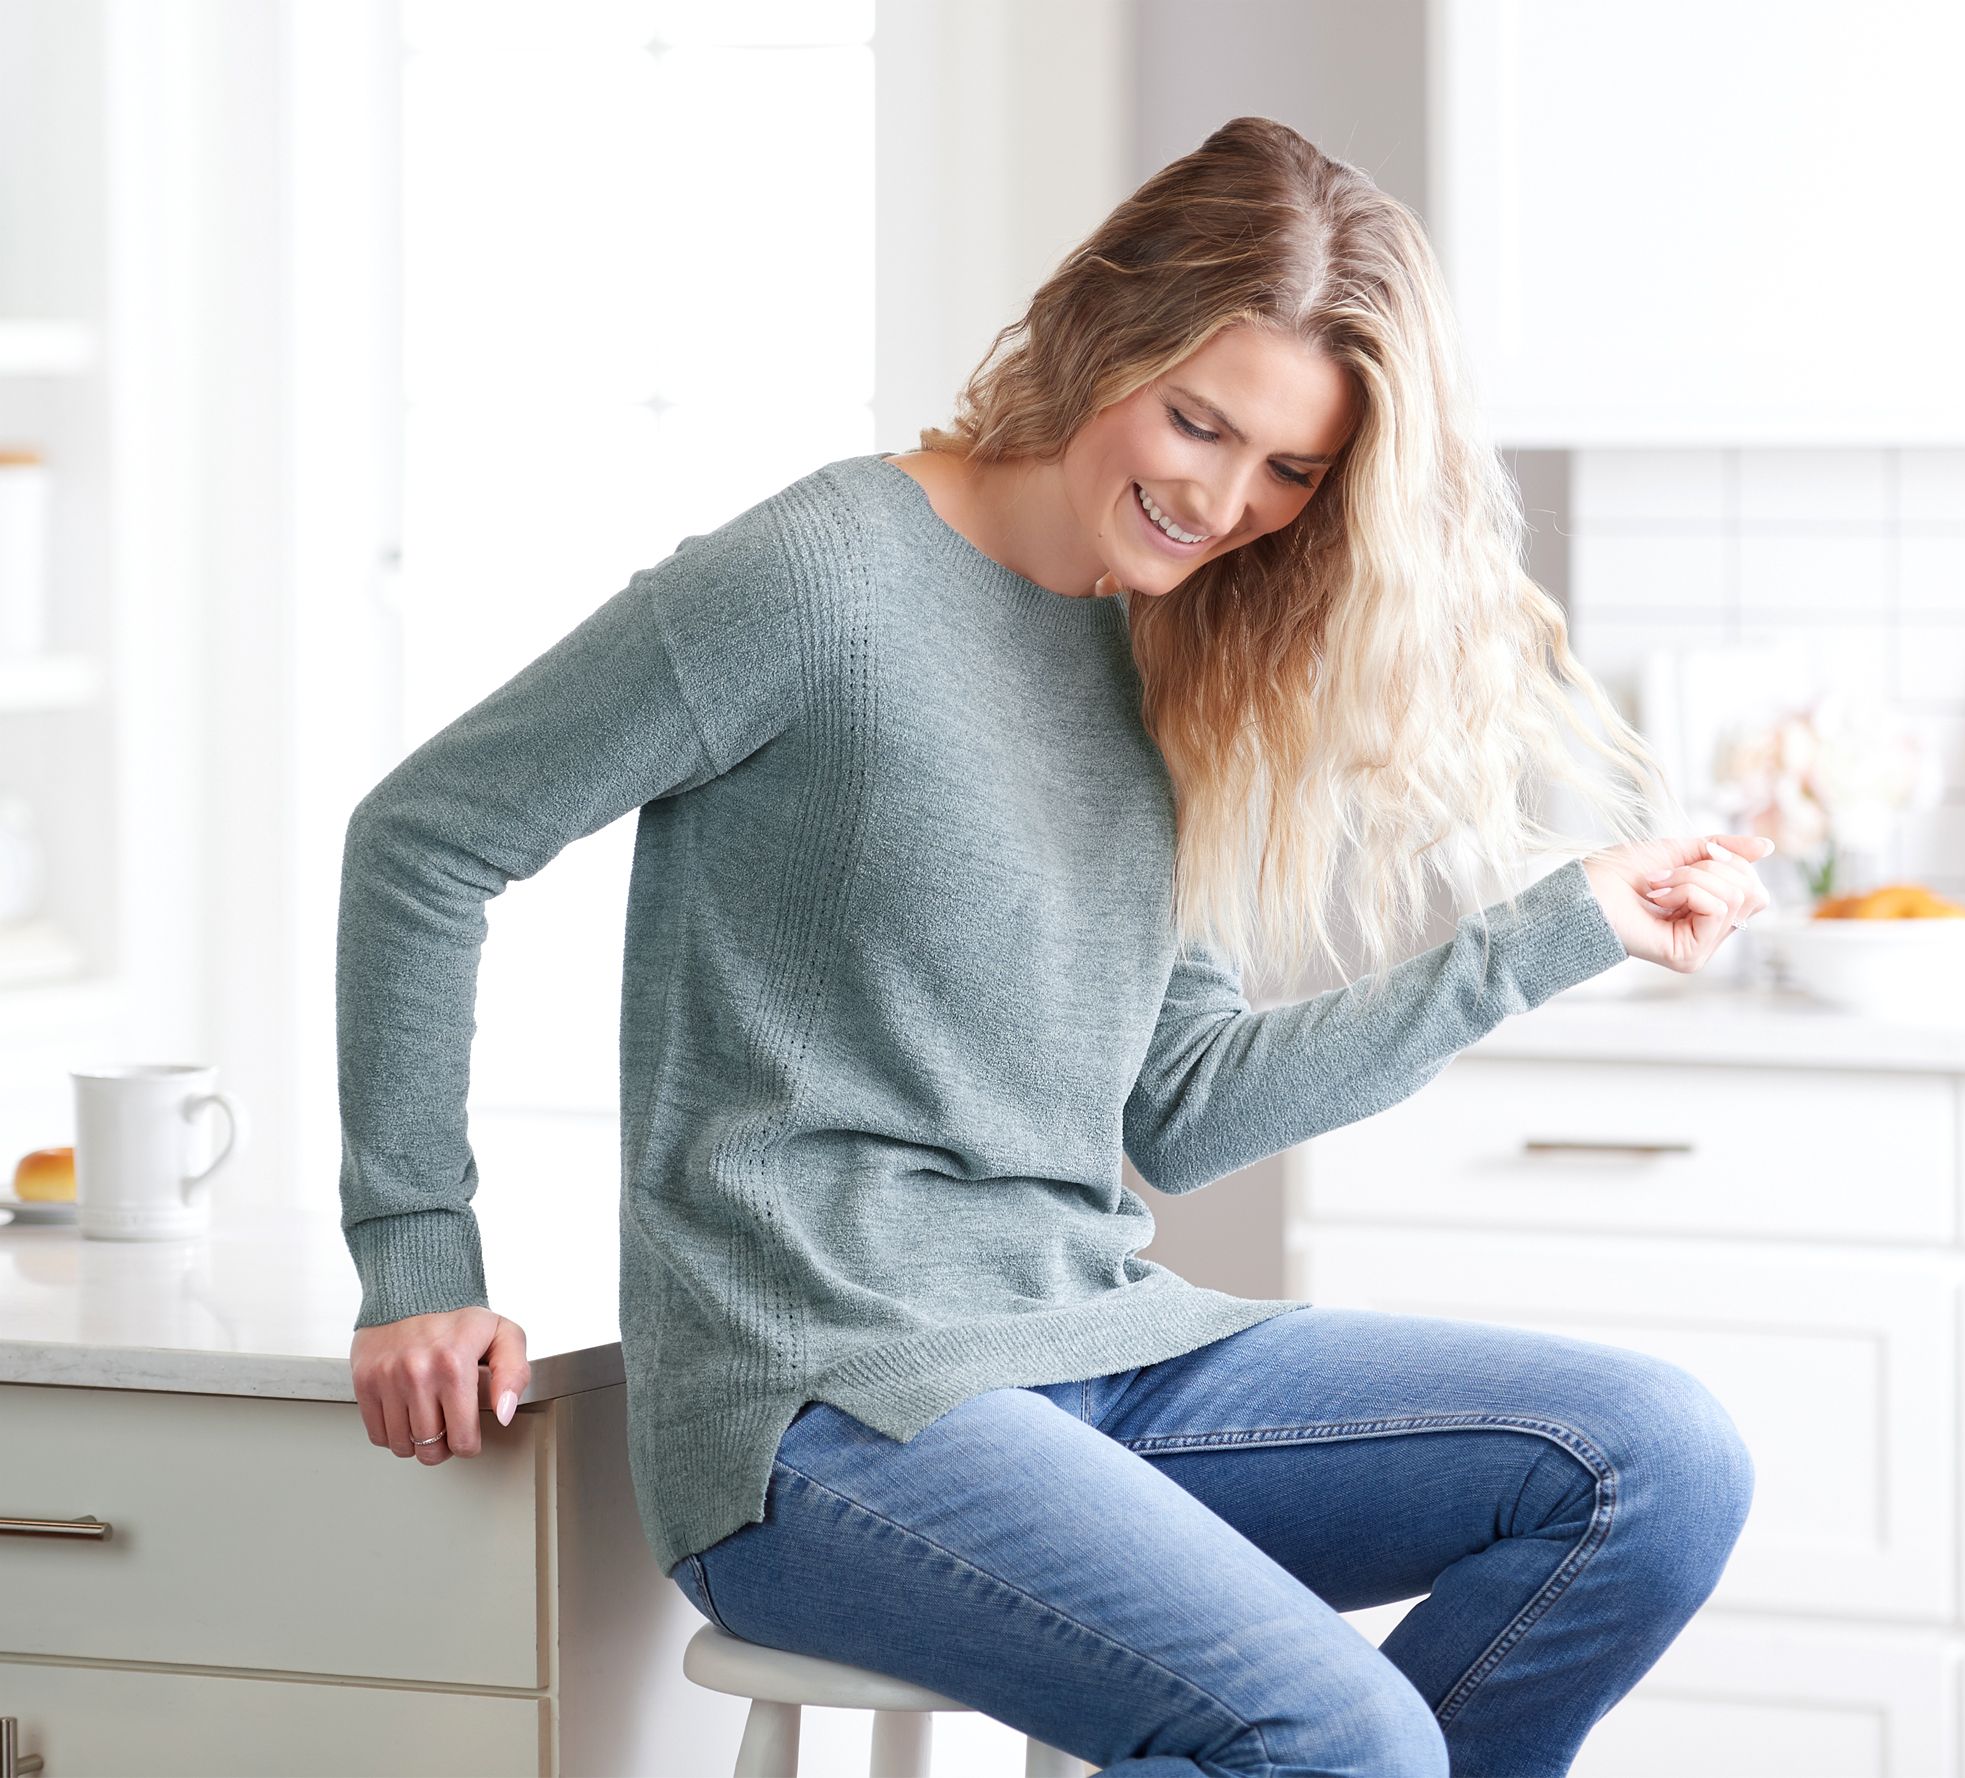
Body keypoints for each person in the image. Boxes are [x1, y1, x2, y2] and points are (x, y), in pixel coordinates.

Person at [338, 116, 1767, 1777]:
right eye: (1198, 420)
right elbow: (428, 837)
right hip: (823, 1402)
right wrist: (418, 1252)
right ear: (1103, 330)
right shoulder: (819, 577)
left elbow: (1186, 1104)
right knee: (1343, 1738)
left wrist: (1549, 932)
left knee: (1656, 1461)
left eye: (1291, 470)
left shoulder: (1180, 657)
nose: (1223, 499)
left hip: (1092, 1343)